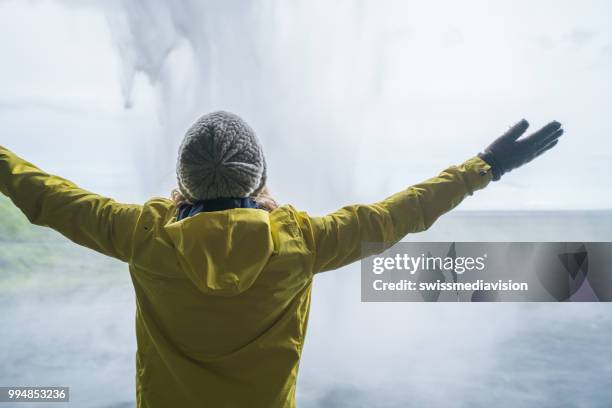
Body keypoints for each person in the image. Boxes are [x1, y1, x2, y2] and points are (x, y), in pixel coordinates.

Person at [0, 111, 564, 407]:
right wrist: (483, 167)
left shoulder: (141, 236)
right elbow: (403, 214)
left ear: (181, 180)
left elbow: (45, 195)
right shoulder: (305, 243)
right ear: (260, 176)